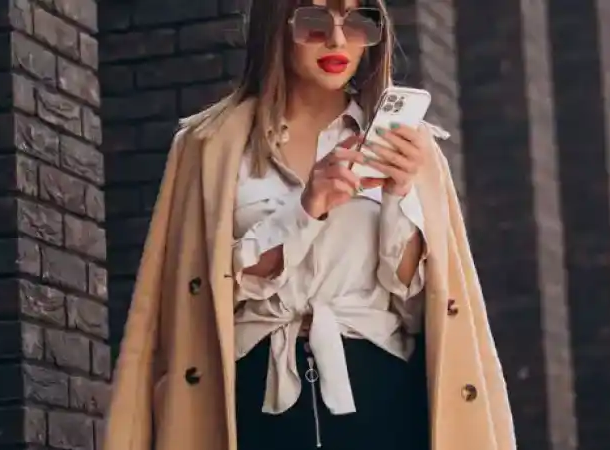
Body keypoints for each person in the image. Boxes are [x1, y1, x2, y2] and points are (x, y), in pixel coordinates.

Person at [102, 1, 516, 450]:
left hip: (382, 397)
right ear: (276, 27)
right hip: (250, 400)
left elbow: (422, 305)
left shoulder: (413, 150)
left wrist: (398, 194)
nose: (337, 40)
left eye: (357, 21)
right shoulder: (209, 146)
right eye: (314, 21)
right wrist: (305, 211)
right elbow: (196, 294)